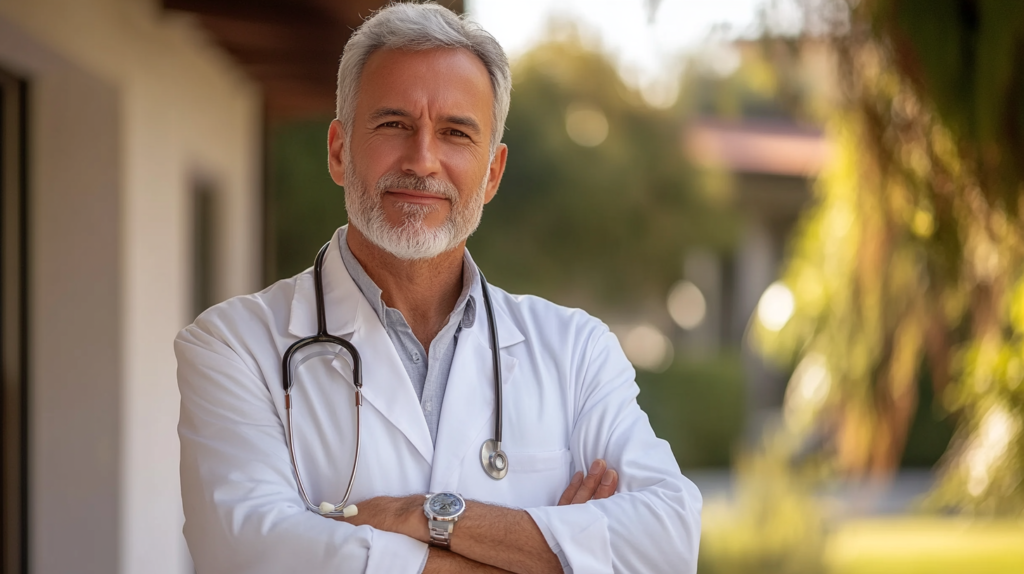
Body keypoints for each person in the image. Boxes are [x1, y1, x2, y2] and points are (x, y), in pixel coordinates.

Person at [175, 3, 701, 573]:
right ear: (339, 151)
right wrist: (551, 553)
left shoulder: (577, 351)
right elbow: (247, 555)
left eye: (455, 133)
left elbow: (668, 542)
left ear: (492, 173)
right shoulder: (233, 346)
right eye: (394, 125)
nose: (422, 160)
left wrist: (421, 515)